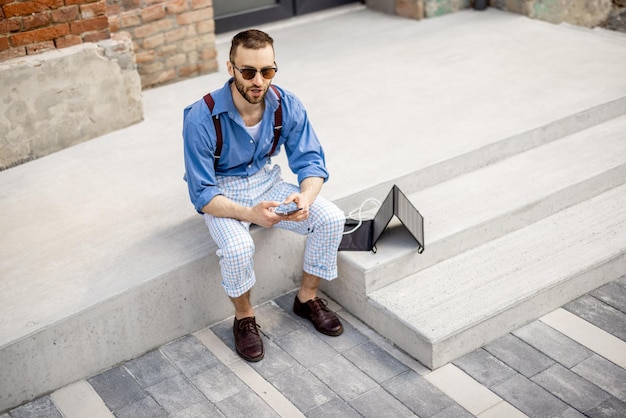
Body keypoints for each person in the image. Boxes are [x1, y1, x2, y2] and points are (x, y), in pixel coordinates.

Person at [182, 29, 346, 362]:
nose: (259, 80)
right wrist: (251, 214)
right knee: (239, 247)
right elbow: (201, 193)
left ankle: (306, 298)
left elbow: (311, 161)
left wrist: (305, 197)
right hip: (223, 190)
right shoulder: (201, 117)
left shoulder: (285, 103)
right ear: (231, 69)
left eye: (267, 71)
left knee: (331, 218)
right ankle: (244, 318)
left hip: (268, 182)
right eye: (248, 72)